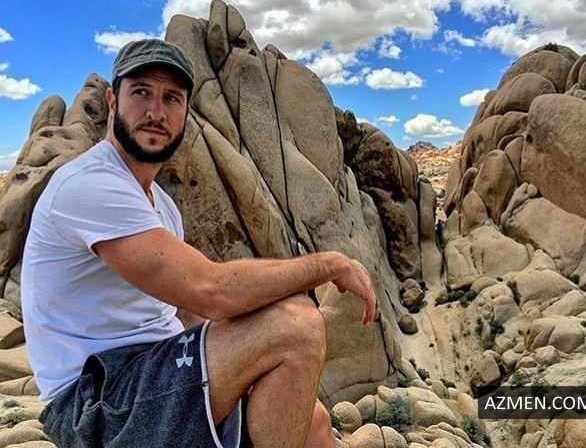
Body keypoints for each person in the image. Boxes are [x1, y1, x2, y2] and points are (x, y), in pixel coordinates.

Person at [21, 38, 377, 448]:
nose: (156, 112)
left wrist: (246, 359)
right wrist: (329, 265)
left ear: (186, 112)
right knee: (296, 325)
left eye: (171, 98)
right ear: (113, 101)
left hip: (149, 377)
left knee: (313, 422)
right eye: (141, 93)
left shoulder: (162, 206)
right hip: (95, 400)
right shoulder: (91, 184)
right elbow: (211, 291)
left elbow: (187, 312)